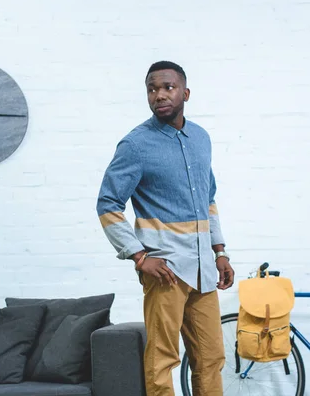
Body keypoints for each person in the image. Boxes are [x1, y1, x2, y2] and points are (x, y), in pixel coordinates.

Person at [96, 60, 234, 396]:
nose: (159, 95)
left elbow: (208, 198)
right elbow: (108, 204)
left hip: (203, 270)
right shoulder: (135, 144)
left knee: (211, 358)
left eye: (167, 87)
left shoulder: (201, 138)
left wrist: (220, 251)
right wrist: (139, 257)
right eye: (152, 89)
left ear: (185, 93)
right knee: (162, 360)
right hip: (166, 271)